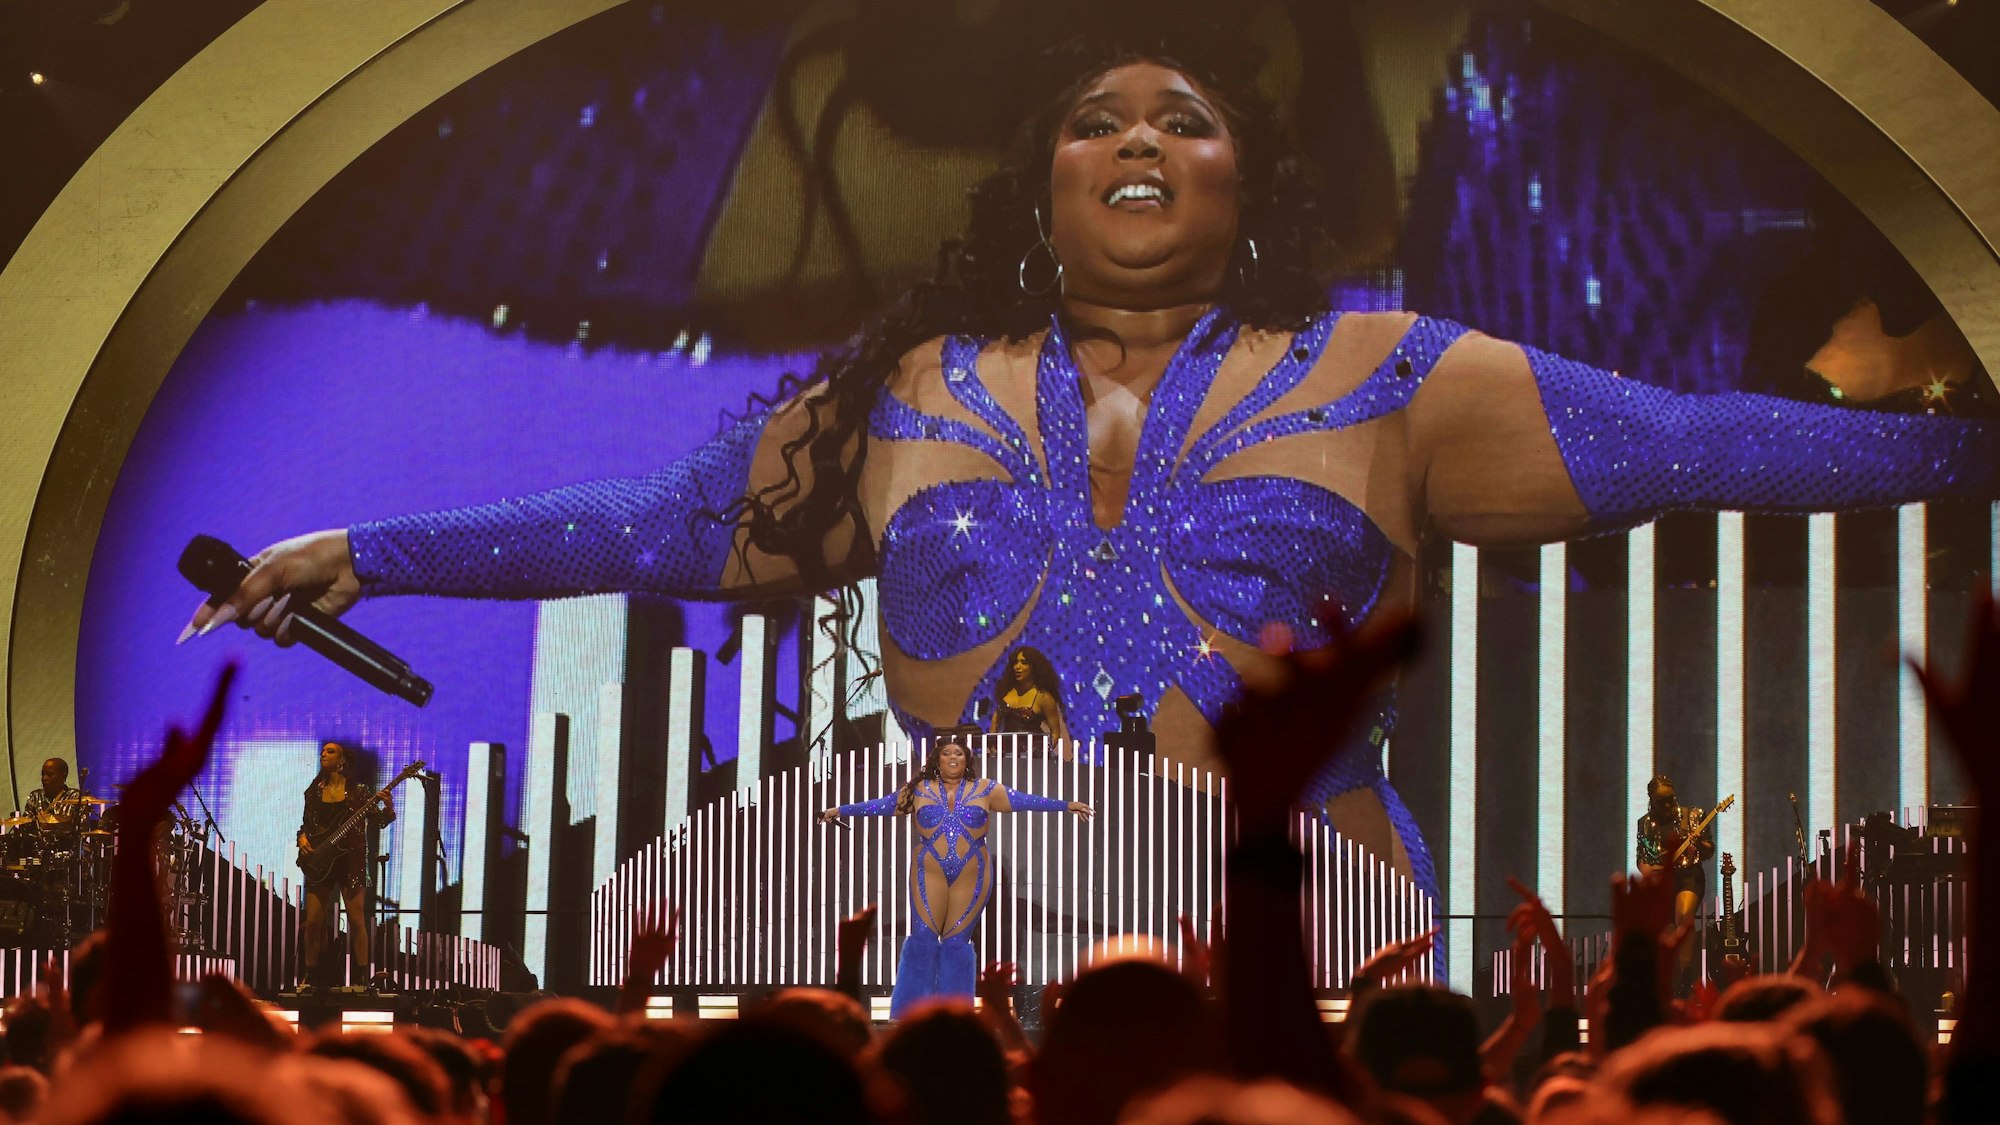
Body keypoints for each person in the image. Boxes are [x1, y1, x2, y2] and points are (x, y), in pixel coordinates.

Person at [186, 30, 1999, 914]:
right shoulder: (907, 389)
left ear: (1244, 181)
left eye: (1184, 120)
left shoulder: (1394, 377)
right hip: (969, 928)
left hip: (1310, 936)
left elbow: (1697, 446)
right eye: (1095, 120)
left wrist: (1967, 444)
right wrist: (371, 543)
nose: (1138, 135)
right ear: (1039, 185)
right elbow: (657, 525)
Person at [817, 728, 1090, 1016]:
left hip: (971, 871)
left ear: (967, 760)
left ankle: (954, 1012)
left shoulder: (986, 789)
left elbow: (1027, 801)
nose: (952, 756)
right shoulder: (919, 789)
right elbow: (882, 805)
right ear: (937, 759)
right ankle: (911, 1011)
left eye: (958, 753)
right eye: (946, 752)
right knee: (922, 936)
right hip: (929, 869)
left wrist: (1067, 806)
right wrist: (840, 810)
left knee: (956, 942)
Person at [297, 742, 394, 992]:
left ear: (342, 760)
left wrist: (389, 806)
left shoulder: (359, 791)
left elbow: (380, 822)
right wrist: (302, 838)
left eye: (330, 751)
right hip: (321, 860)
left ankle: (361, 980)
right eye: (323, 751)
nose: (323, 754)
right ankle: (310, 977)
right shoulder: (314, 790)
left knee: (356, 919)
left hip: (351, 860)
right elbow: (306, 823)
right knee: (314, 922)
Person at [1634, 776, 1711, 988]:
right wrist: (1649, 871)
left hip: (1689, 876)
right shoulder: (1645, 824)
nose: (1668, 805)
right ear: (1651, 801)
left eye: (1671, 799)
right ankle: (1670, 979)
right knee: (1666, 930)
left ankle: (1686, 977)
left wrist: (1699, 847)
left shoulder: (1693, 816)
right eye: (1661, 802)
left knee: (1684, 916)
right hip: (1663, 882)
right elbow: (1642, 857)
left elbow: (1708, 850)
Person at [991, 645, 1069, 743]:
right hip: (1006, 754)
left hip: (1033, 754)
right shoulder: (1005, 692)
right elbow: (994, 726)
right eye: (1015, 662)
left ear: (1034, 666)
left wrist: (1043, 754)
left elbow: (1055, 733)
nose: (1017, 667)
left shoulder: (1043, 697)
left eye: (1024, 663)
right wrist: (995, 752)